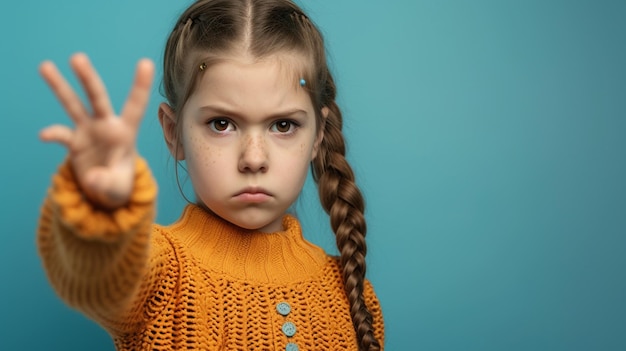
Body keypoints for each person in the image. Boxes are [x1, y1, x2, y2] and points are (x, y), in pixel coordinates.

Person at [36, 0, 384, 350]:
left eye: (283, 125)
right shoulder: (157, 271)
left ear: (317, 136)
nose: (253, 159)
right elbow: (100, 271)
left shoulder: (353, 295)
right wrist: (101, 207)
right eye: (222, 124)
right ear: (174, 132)